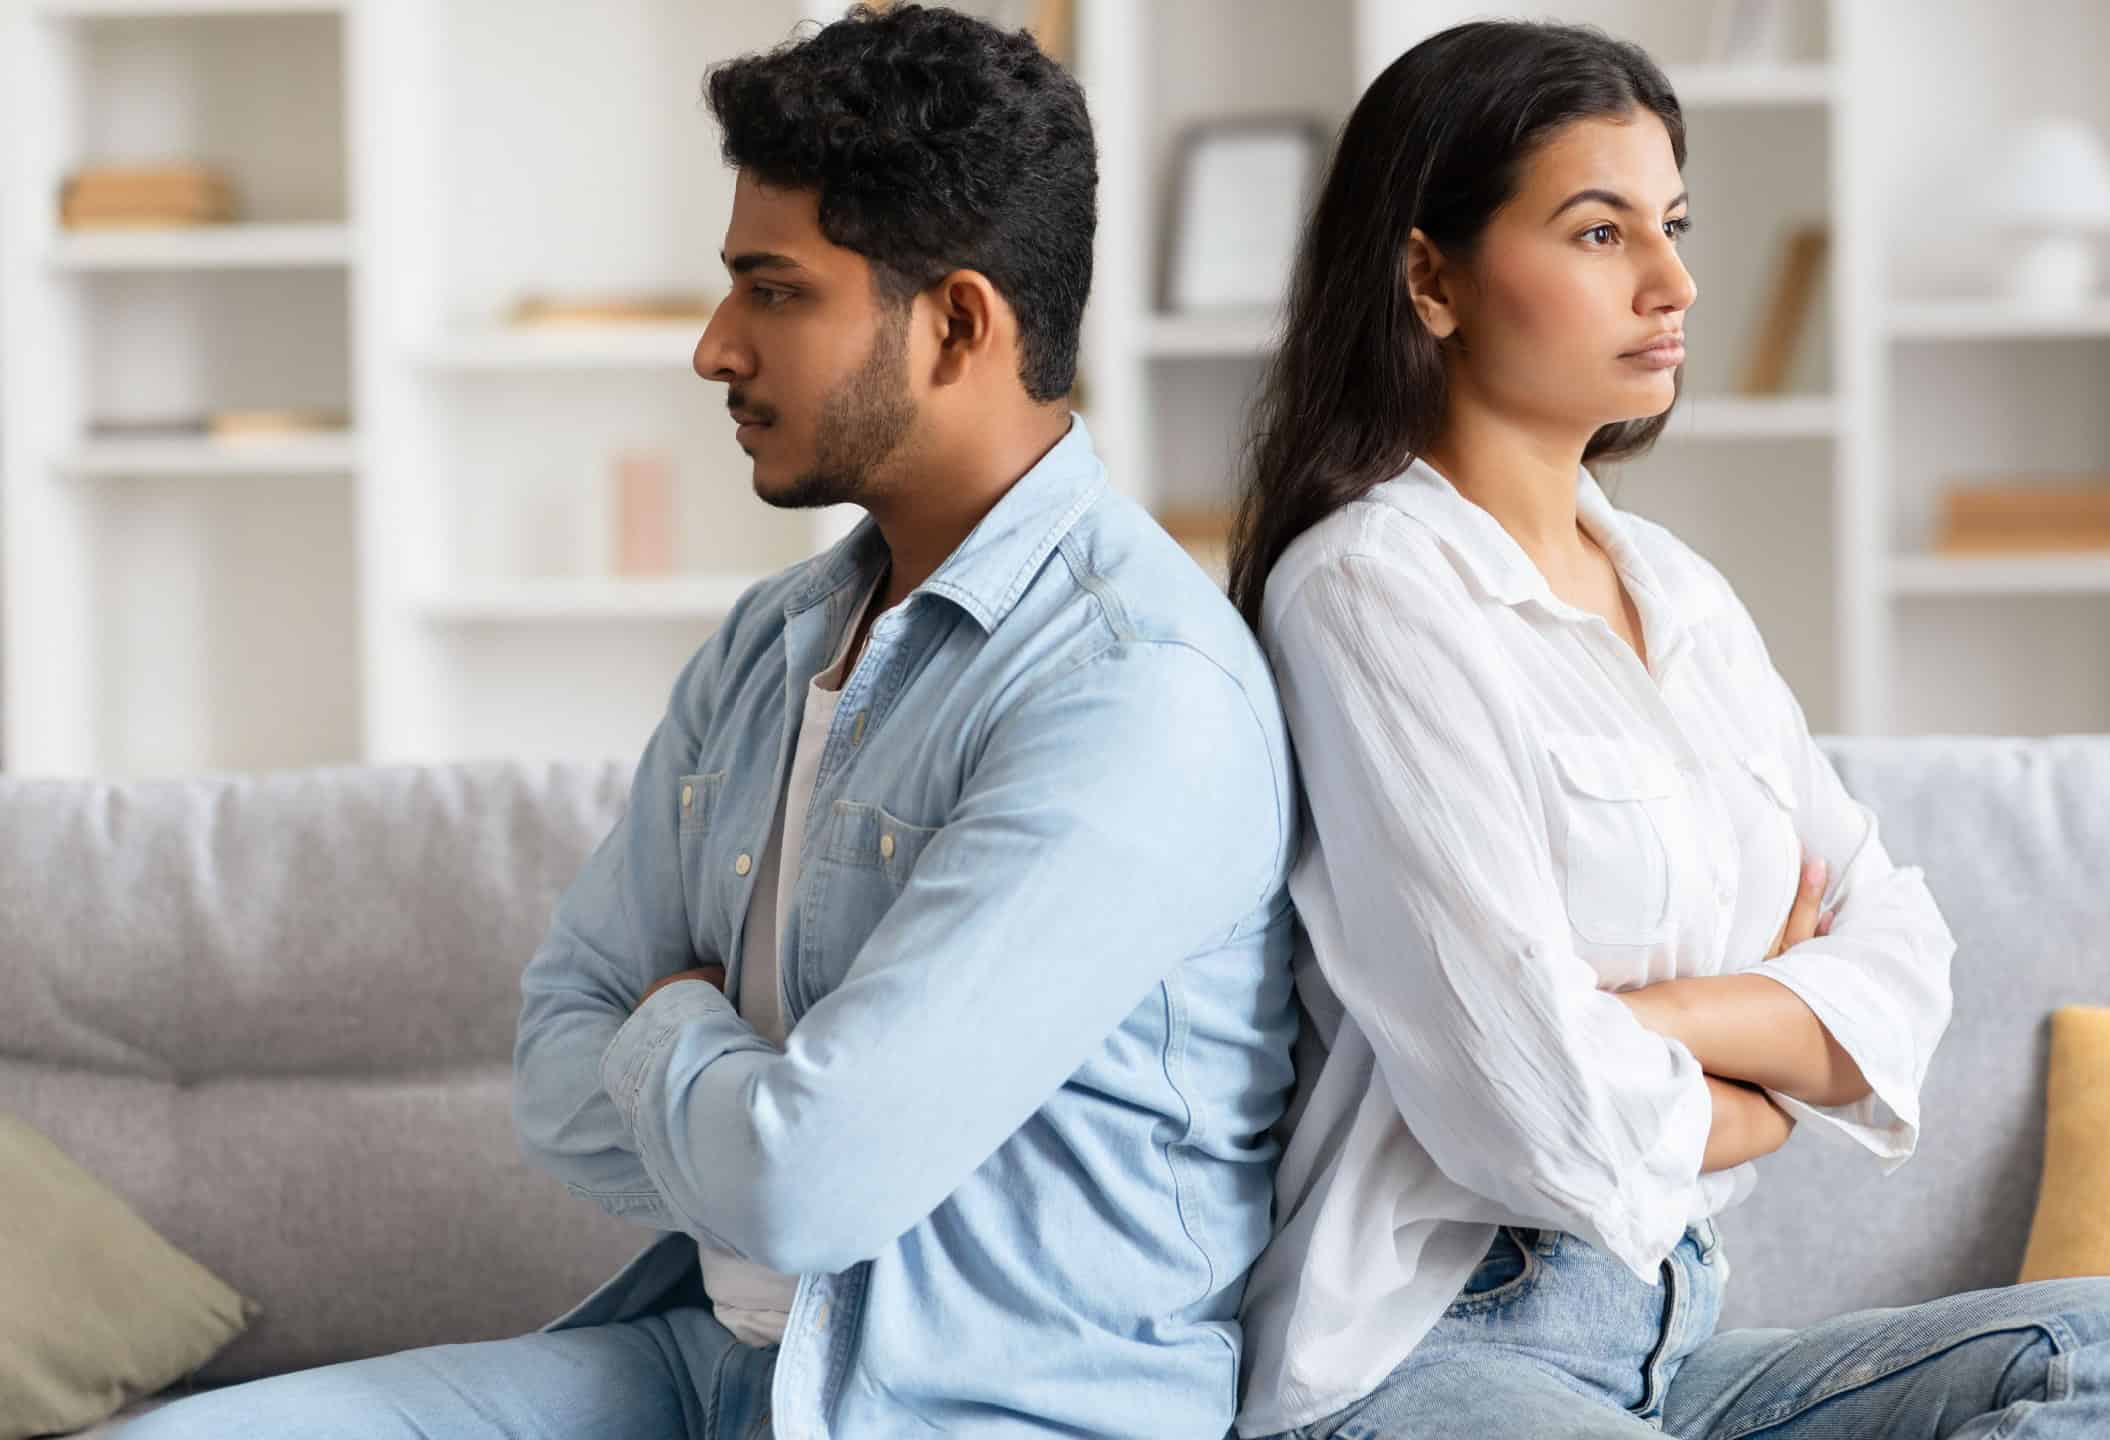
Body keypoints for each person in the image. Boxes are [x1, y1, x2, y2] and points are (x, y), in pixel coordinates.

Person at [127, 7, 1297, 1437]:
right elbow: (553, 1067)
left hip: (967, 1414)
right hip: (702, 1367)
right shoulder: (771, 641)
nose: (712, 347)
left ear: (960, 324)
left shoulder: (1137, 693)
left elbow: (810, 1186)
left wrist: (674, 1012)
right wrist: (743, 1110)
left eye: (774, 290)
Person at [1225, 20, 2110, 1439]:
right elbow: (1539, 1123)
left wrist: (1652, 1022)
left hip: (1679, 1344)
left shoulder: (1680, 594)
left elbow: (1905, 966)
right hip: (1434, 1354)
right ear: (1429, 277)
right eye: (1599, 233)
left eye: (1675, 224)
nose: (1674, 281)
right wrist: (1773, 1076)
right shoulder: (1367, 592)